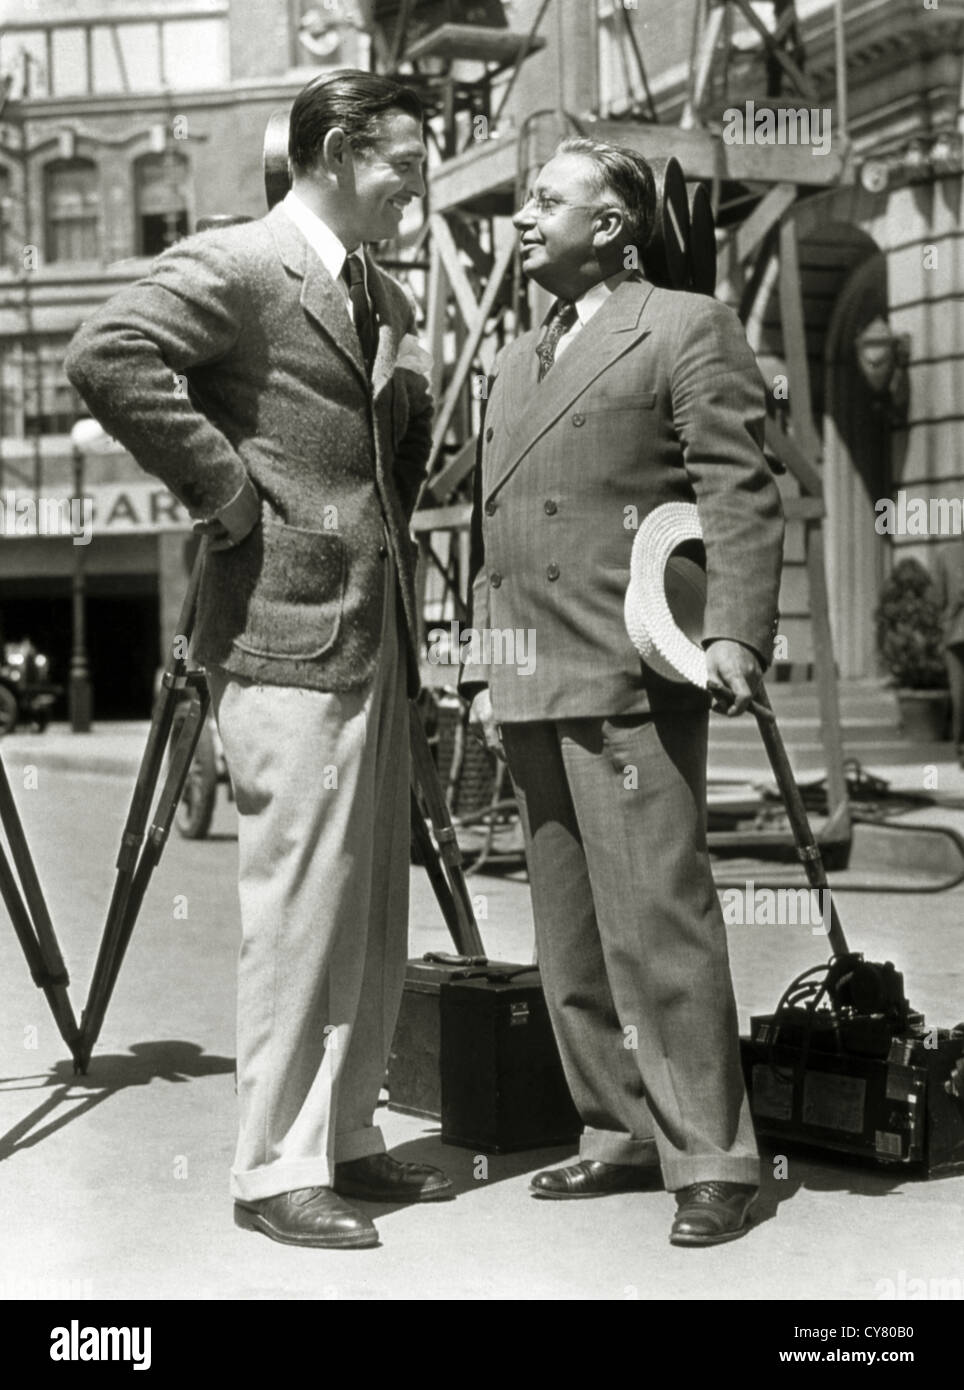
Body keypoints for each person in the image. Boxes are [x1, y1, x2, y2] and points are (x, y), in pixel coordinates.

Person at [65, 70, 453, 1250]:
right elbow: (106, 354)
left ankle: (342, 1137)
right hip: (284, 634)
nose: (414, 196)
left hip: (371, 630)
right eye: (402, 169)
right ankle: (269, 1169)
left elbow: (367, 451)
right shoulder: (242, 263)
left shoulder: (370, 290)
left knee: (365, 906)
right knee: (297, 904)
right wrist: (228, 493)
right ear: (336, 151)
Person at [462, 136, 784, 1246]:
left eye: (546, 199)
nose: (522, 215)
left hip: (627, 664)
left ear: (611, 225)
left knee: (661, 916)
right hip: (527, 671)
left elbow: (737, 488)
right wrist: (476, 661)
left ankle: (710, 1151)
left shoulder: (684, 325)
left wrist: (735, 629)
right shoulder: (511, 360)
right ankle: (613, 1126)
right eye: (523, 199)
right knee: (569, 932)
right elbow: (491, 530)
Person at [931, 539, 964, 765]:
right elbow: (938, 599)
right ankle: (961, 746)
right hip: (956, 636)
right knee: (960, 695)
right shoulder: (947, 555)